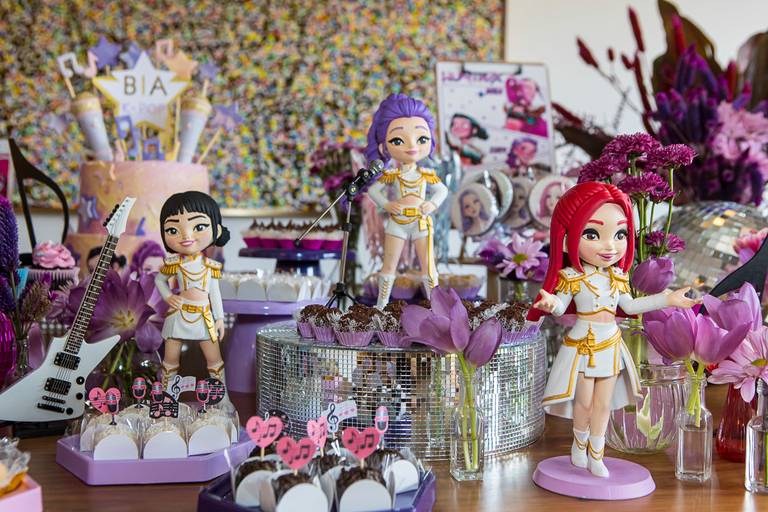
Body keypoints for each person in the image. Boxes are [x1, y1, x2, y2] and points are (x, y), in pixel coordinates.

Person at [527, 182, 699, 478]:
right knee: (583, 401)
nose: (610, 246)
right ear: (566, 241)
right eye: (592, 234)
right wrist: (550, 303)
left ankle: (597, 454)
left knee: (603, 403)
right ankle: (578, 445)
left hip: (609, 345)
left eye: (620, 234)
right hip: (582, 346)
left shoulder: (618, 277)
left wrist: (668, 299)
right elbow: (560, 306)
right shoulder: (572, 277)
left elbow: (630, 307)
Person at [366, 94, 449, 308]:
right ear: (384, 146)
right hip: (398, 221)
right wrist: (387, 204)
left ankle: (436, 305)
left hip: (421, 222)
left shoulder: (426, 174)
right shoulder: (392, 175)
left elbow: (442, 190)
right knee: (389, 266)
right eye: (398, 140)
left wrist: (432, 204)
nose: (412, 146)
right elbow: (373, 190)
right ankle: (381, 305)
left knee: (428, 267)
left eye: (421, 139)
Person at [155, 191, 230, 389]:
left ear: (217, 230)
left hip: (204, 316)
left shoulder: (211, 266)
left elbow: (215, 293)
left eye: (199, 227)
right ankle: (167, 396)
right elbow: (159, 280)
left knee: (214, 361)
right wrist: (168, 297)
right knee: (170, 360)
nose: (187, 236)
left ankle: (221, 398)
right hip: (178, 315)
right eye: (173, 230)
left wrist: (219, 318)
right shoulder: (174, 263)